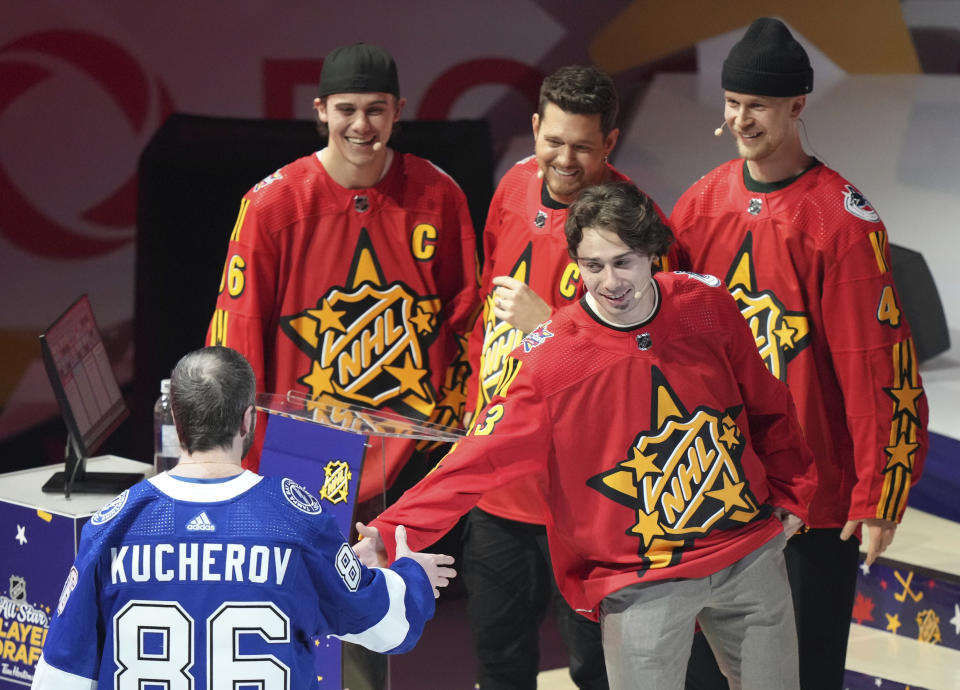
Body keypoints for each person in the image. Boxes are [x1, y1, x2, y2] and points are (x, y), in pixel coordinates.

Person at [356, 181, 817, 690]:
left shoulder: (706, 304)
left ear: (652, 255)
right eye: (592, 266)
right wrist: (391, 529)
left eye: (624, 262)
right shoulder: (550, 359)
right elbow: (479, 458)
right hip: (639, 576)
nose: (609, 281)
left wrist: (795, 490)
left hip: (746, 550)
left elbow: (767, 401)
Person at [668, 18, 929, 690]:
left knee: (804, 673)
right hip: (715, 492)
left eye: (757, 104)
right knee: (700, 675)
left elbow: (879, 365)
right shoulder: (698, 205)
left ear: (797, 105)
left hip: (812, 503)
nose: (741, 118)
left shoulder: (840, 221)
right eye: (733, 102)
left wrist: (879, 494)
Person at [31, 346, 455, 690]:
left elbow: (59, 679)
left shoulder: (112, 526)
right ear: (249, 419)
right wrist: (409, 575)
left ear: (175, 420)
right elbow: (388, 628)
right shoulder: (296, 520)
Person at [461, 65, 665, 690]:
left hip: (590, 490)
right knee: (498, 657)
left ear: (611, 141)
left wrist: (545, 324)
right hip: (501, 477)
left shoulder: (636, 223)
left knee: (595, 668)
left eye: (583, 145)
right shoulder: (513, 188)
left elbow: (648, 365)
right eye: (553, 141)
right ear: (534, 129)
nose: (565, 159)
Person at [206, 42, 478, 507]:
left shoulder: (439, 195)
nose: (361, 125)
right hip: (299, 448)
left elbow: (467, 314)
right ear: (321, 111)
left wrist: (464, 431)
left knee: (406, 579)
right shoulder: (273, 205)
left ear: (398, 111)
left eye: (376, 110)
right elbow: (238, 334)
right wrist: (240, 459)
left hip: (413, 446)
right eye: (346, 109)